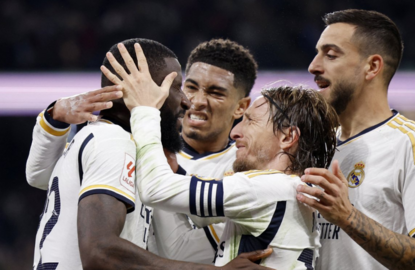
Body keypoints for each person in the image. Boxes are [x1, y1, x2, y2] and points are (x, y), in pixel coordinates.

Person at [25, 38, 271, 270]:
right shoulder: (114, 142)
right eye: (182, 88)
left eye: (215, 92)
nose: (190, 102)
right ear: (141, 93)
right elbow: (99, 251)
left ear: (240, 106)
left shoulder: (132, 147)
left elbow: (176, 246)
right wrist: (53, 117)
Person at [100, 42, 338, 269]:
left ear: (287, 137)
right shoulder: (284, 188)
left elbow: (155, 189)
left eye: (250, 121)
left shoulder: (266, 188)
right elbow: (202, 216)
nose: (236, 132)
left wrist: (145, 110)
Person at [295, 9, 415, 269]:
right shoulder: (317, 146)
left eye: (331, 54)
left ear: (372, 67)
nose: (313, 66)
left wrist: (347, 217)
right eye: (317, 53)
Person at [150, 38, 257, 264]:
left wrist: (162, 168)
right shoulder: (144, 147)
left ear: (241, 107)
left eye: (215, 92)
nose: (197, 101)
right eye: (191, 87)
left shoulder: (249, 172)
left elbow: (182, 254)